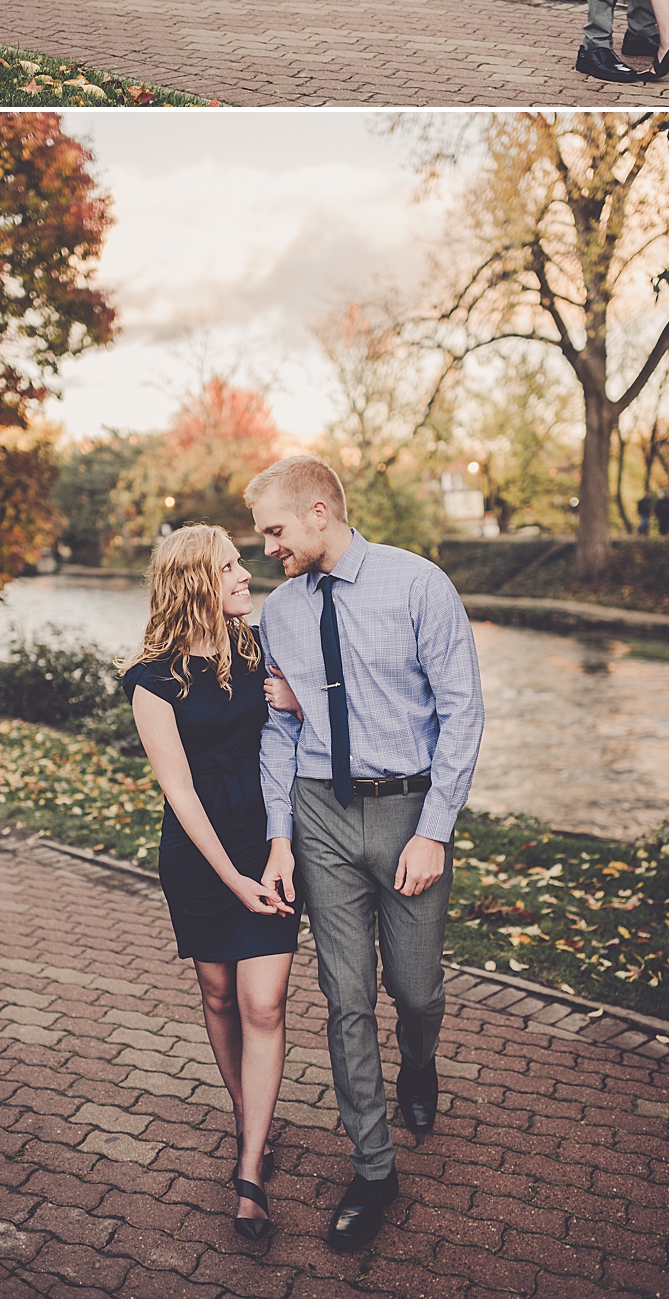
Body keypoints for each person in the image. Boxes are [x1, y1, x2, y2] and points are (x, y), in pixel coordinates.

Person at [247, 457, 484, 1256]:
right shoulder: (278, 611)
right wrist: (281, 835)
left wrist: (437, 829)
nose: (269, 548)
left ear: (319, 512)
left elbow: (462, 711)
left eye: (275, 531)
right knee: (346, 997)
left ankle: (421, 1062)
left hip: (411, 809)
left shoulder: (419, 586)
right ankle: (374, 1169)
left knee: (414, 990)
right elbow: (278, 731)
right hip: (321, 813)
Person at [121, 526, 301, 1251]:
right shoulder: (151, 677)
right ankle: (247, 1112)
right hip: (200, 858)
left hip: (271, 843)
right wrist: (230, 877)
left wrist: (294, 701)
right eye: (230, 564)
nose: (245, 572)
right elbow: (179, 790)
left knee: (265, 999)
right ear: (196, 578)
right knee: (220, 995)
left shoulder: (258, 645)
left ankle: (250, 1168)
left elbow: (297, 732)